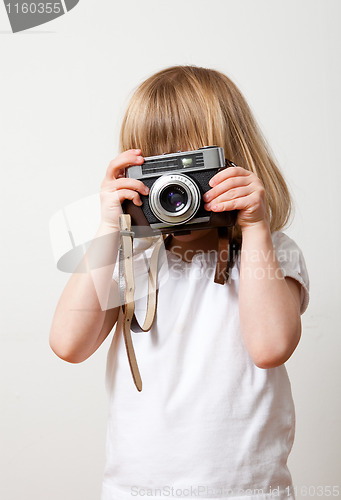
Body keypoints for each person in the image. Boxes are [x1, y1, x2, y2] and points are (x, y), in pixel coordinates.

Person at [49, 65, 309, 500]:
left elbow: (270, 348)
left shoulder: (271, 250)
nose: (176, 188)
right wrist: (108, 229)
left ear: (236, 163)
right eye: (158, 170)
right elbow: (68, 345)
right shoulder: (130, 257)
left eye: (192, 170)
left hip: (247, 489)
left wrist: (257, 228)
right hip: (137, 489)